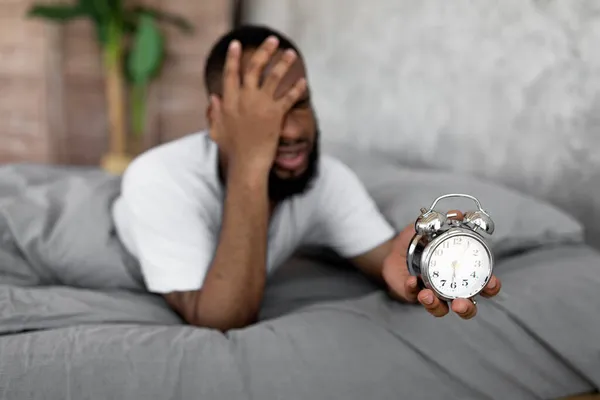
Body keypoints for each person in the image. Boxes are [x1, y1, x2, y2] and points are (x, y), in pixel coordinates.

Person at [111, 24, 501, 332]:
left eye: (300, 103)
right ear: (216, 119)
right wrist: (251, 162)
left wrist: (418, 266)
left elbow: (389, 261)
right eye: (265, 114)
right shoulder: (159, 178)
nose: (295, 131)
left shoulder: (326, 180)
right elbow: (219, 316)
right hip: (107, 243)